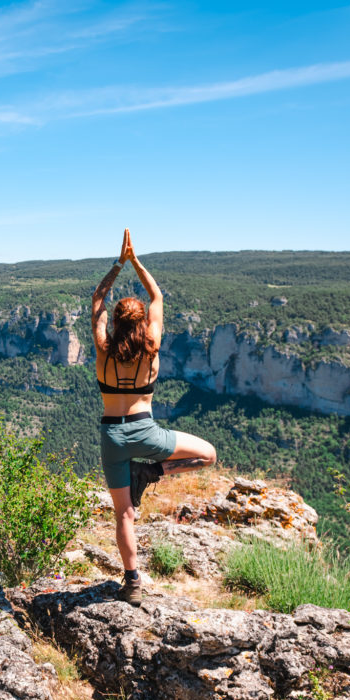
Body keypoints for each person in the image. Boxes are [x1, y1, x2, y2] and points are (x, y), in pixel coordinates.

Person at [92, 229, 216, 605]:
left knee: (124, 516)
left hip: (112, 437)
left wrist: (117, 264)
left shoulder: (103, 349)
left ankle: (132, 583)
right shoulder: (152, 347)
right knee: (208, 455)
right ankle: (153, 472)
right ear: (142, 322)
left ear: (115, 322)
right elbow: (158, 296)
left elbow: (97, 298)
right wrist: (136, 261)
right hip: (147, 433)